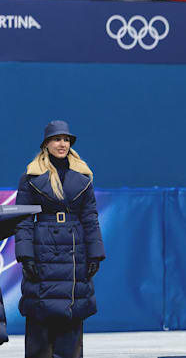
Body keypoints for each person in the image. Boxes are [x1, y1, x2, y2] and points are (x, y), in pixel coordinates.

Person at [15, 120, 104, 358]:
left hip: (75, 248)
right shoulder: (31, 177)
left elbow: (90, 217)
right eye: (57, 139)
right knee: (40, 312)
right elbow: (23, 219)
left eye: (66, 139)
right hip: (43, 246)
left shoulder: (83, 177)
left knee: (72, 312)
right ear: (46, 144)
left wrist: (95, 254)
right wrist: (25, 256)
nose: (62, 144)